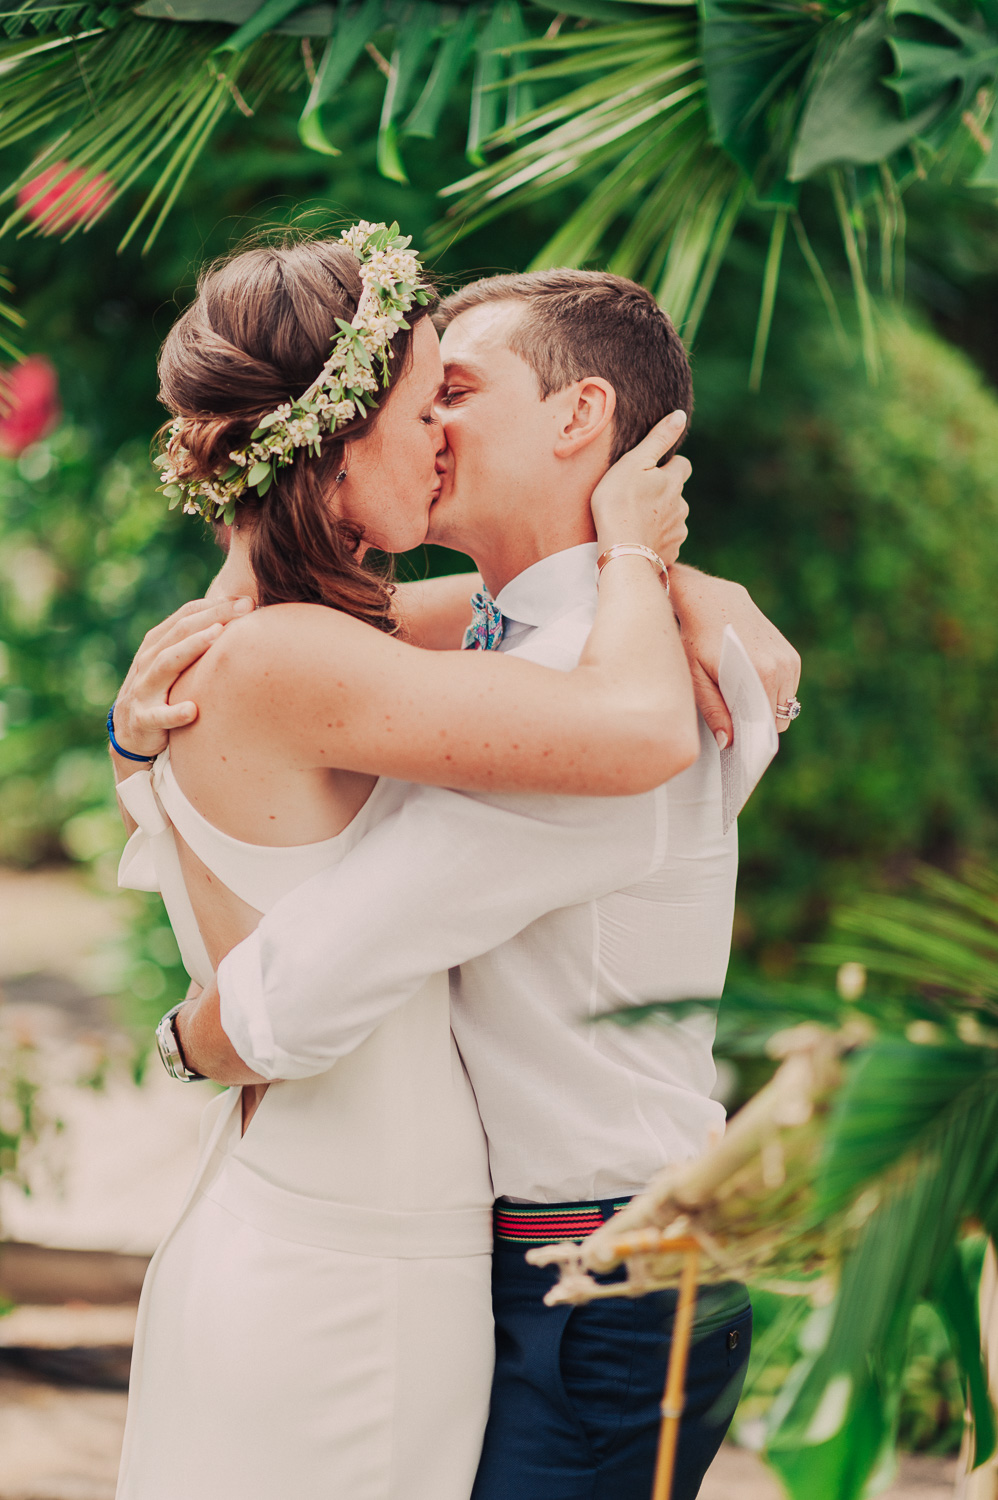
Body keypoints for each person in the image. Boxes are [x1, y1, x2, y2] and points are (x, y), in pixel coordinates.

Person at [116, 258, 801, 1499]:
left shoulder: (601, 711)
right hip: (516, 1255)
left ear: (578, 417)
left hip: (600, 1277)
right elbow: (331, 638)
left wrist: (184, 1041)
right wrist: (653, 569)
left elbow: (301, 991)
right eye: (415, 399)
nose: (430, 427)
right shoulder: (533, 655)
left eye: (456, 391)